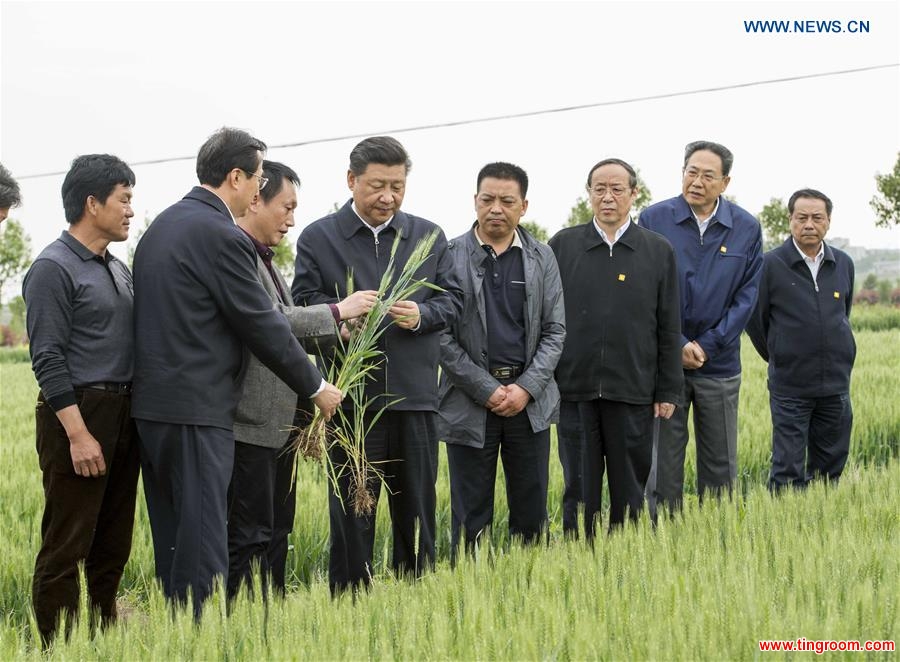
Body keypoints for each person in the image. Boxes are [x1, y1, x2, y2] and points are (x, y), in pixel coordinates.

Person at [132, 128, 342, 616]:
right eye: (258, 179)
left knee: (174, 541)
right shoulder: (222, 235)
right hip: (199, 412)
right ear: (235, 177)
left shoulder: (160, 228)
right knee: (205, 546)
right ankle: (205, 641)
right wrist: (316, 386)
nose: (257, 191)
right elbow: (262, 324)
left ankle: (177, 634)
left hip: (152, 411)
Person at [292, 136, 462, 595]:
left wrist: (422, 314)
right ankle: (349, 609)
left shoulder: (428, 235)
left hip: (414, 399)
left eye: (398, 186)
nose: (388, 197)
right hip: (351, 407)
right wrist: (339, 320)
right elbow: (300, 310)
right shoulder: (318, 237)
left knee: (417, 516)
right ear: (351, 181)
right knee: (351, 516)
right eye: (377, 186)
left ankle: (416, 604)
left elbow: (455, 304)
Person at [227, 160, 377, 601]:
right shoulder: (237, 254)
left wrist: (340, 332)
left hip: (280, 427)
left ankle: (269, 613)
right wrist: (337, 311)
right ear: (255, 199)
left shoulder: (266, 260)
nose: (292, 219)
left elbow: (284, 334)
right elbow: (268, 322)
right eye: (286, 208)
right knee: (251, 532)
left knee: (276, 529)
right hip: (251, 423)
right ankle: (246, 619)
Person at [23, 154, 140, 644]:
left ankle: (101, 628)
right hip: (78, 414)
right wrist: (77, 433)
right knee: (68, 539)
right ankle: (57, 645)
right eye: (124, 199)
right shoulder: (52, 268)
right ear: (92, 204)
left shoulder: (117, 268)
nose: (132, 210)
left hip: (123, 412)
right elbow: (47, 357)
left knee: (113, 537)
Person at [550, 158, 682, 536]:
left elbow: (669, 326)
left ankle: (623, 561)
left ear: (634, 194)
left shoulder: (658, 251)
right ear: (589, 193)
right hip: (575, 392)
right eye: (599, 189)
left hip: (634, 392)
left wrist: (667, 388)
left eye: (617, 189)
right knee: (579, 489)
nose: (607, 198)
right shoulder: (563, 245)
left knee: (629, 491)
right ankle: (579, 558)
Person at [439, 162, 565, 557]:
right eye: (487, 199)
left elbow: (555, 331)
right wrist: (486, 388)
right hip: (469, 403)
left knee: (531, 514)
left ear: (523, 206)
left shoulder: (542, 257)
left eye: (507, 201)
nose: (496, 208)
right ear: (474, 202)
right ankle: (471, 589)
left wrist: (525, 389)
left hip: (529, 405)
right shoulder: (449, 256)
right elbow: (440, 333)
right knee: (470, 517)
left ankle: (528, 590)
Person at [639, 140, 763, 509]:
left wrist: (709, 345)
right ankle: (662, 543)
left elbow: (747, 296)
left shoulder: (746, 227)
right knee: (662, 468)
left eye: (708, 175)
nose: (697, 181)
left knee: (721, 467)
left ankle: (718, 539)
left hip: (719, 366)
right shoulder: (653, 219)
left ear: (725, 182)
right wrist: (676, 344)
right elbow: (645, 291)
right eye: (691, 172)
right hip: (666, 365)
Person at [746, 189, 855, 491]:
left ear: (828, 222)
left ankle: (821, 524)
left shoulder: (843, 263)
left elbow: (843, 314)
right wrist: (781, 354)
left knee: (831, 464)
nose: (809, 224)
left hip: (835, 384)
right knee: (788, 467)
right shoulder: (769, 265)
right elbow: (757, 321)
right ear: (790, 220)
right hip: (790, 386)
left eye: (817, 218)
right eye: (802, 217)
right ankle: (784, 530)